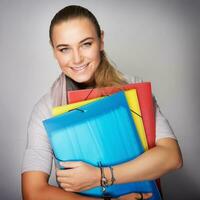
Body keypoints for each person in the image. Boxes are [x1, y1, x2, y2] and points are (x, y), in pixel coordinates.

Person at [21, 5, 183, 200]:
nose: (77, 58)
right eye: (64, 49)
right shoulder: (45, 109)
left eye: (86, 44)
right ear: (54, 51)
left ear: (101, 40)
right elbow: (33, 192)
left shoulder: (134, 88)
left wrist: (100, 176)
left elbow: (172, 157)